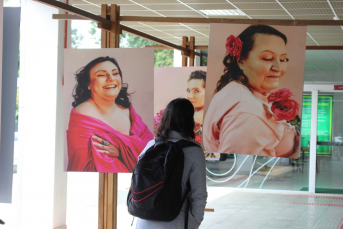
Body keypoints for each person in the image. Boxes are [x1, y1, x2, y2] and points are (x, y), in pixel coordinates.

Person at [203, 25, 300, 158]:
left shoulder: (238, 90)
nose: (278, 67)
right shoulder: (246, 111)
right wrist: (293, 157)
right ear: (241, 60)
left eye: (283, 59)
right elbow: (237, 170)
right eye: (267, 58)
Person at [66, 56, 153, 172]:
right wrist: (123, 146)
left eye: (115, 73)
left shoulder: (128, 111)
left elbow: (150, 146)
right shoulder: (85, 111)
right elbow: (99, 146)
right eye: (101, 75)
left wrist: (120, 150)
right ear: (88, 83)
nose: (111, 78)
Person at [136, 98, 207, 229]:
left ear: (165, 118)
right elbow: (199, 194)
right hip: (176, 222)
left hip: (144, 221)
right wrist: (195, 222)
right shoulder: (193, 151)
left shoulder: (152, 145)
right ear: (190, 120)